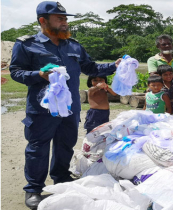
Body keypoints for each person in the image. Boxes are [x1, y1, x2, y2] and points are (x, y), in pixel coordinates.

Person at [9, 2, 121, 209]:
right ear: (43, 20)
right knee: (37, 148)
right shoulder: (26, 44)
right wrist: (39, 75)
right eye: (59, 18)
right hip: (43, 108)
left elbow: (90, 67)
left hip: (70, 107)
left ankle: (61, 178)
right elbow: (16, 71)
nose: (65, 22)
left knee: (65, 144)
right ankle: (34, 189)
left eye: (65, 19)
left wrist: (113, 66)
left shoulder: (73, 45)